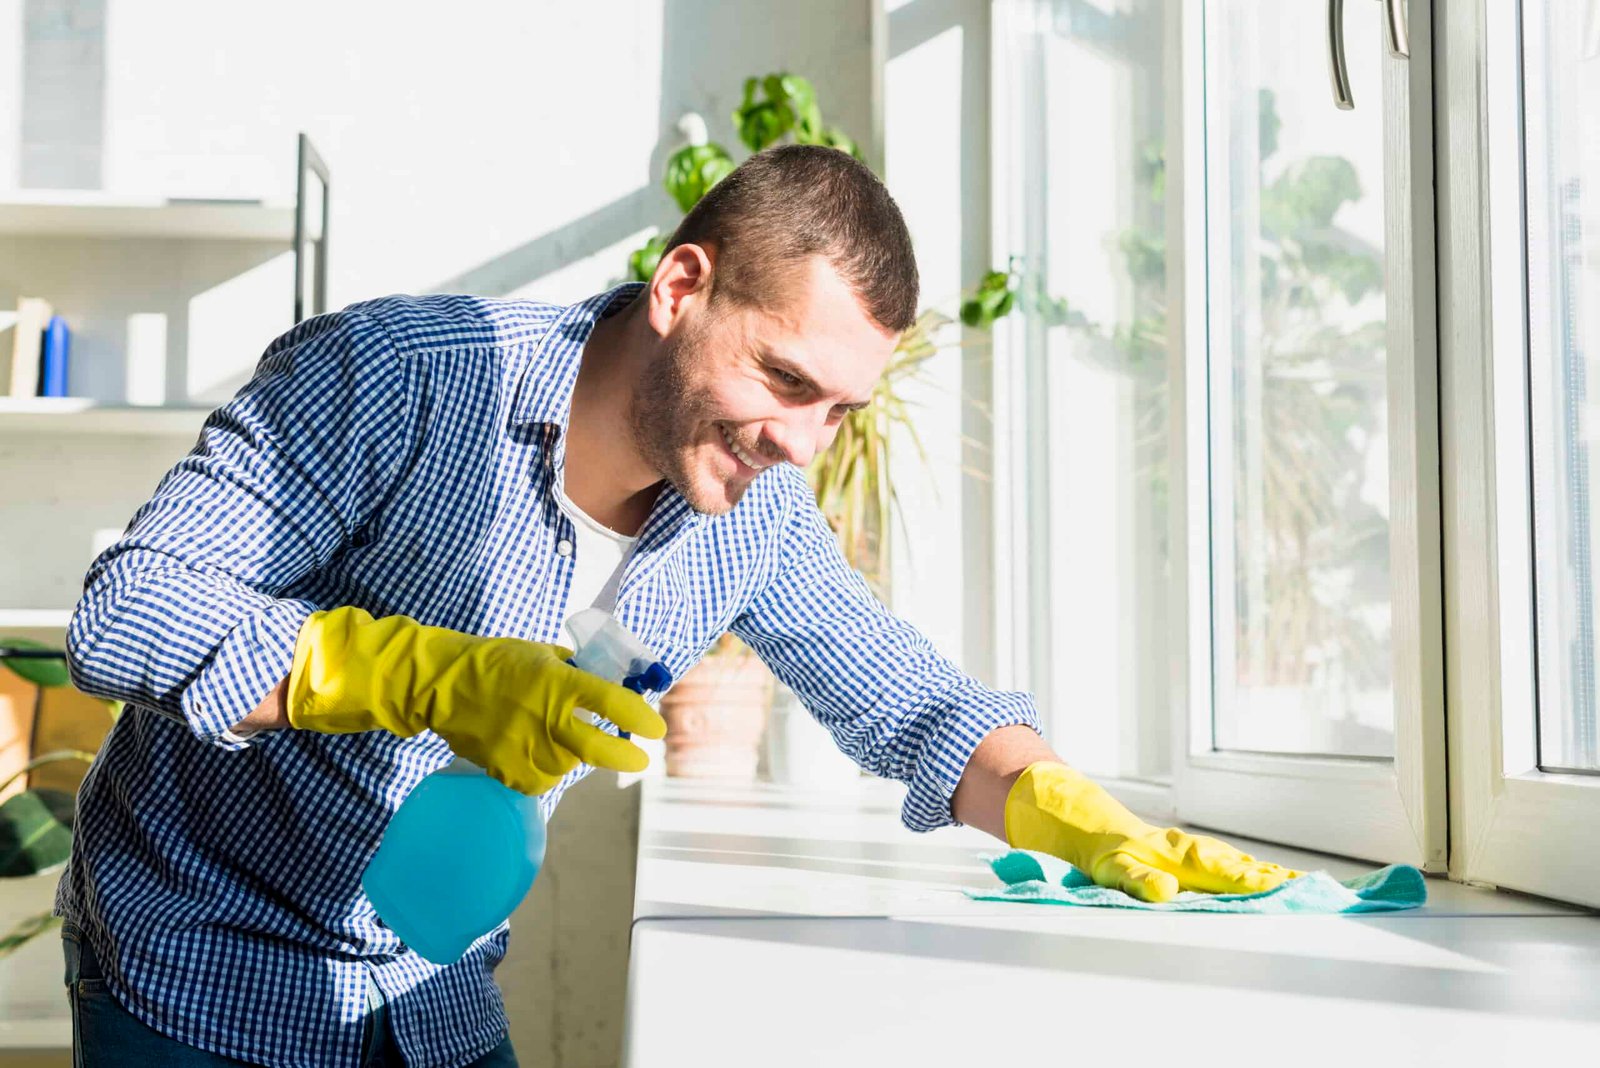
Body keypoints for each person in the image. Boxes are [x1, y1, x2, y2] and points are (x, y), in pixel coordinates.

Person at [57, 143, 1300, 1067]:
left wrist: (1070, 812)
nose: (805, 443)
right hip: (197, 965)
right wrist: (424, 676)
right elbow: (128, 610)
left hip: (425, 996)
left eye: (840, 411)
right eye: (784, 377)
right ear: (680, 286)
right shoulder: (396, 377)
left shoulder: (748, 516)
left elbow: (912, 703)